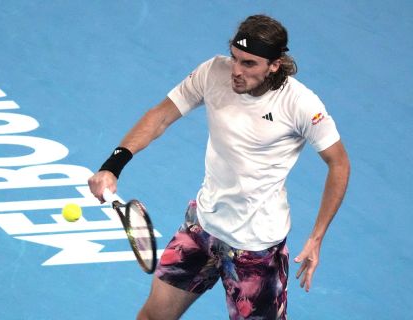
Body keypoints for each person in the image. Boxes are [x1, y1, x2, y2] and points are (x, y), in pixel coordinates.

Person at [88, 14, 350, 320]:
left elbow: (339, 164)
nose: (236, 71)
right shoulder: (213, 72)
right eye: (235, 58)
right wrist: (113, 165)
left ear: (274, 65)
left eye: (249, 64)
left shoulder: (300, 104)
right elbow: (161, 115)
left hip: (255, 249)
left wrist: (316, 237)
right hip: (202, 227)